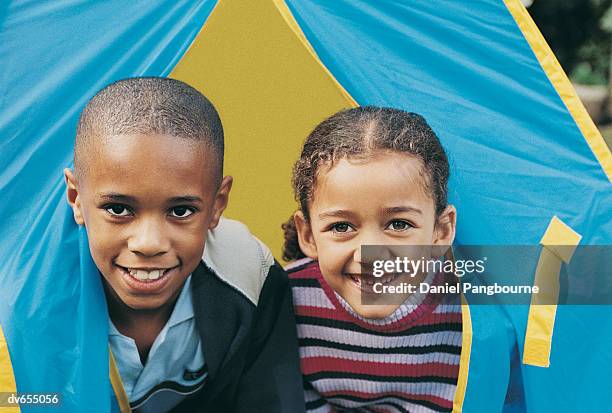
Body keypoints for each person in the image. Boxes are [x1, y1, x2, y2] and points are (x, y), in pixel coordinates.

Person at [64, 77, 303, 413]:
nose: (148, 244)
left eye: (180, 211)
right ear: (76, 198)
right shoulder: (27, 308)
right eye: (118, 209)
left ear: (218, 204)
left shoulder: (249, 273)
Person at [282, 107, 462, 413]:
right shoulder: (287, 298)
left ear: (441, 231)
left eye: (399, 224)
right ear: (309, 235)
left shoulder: (469, 309)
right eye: (341, 227)